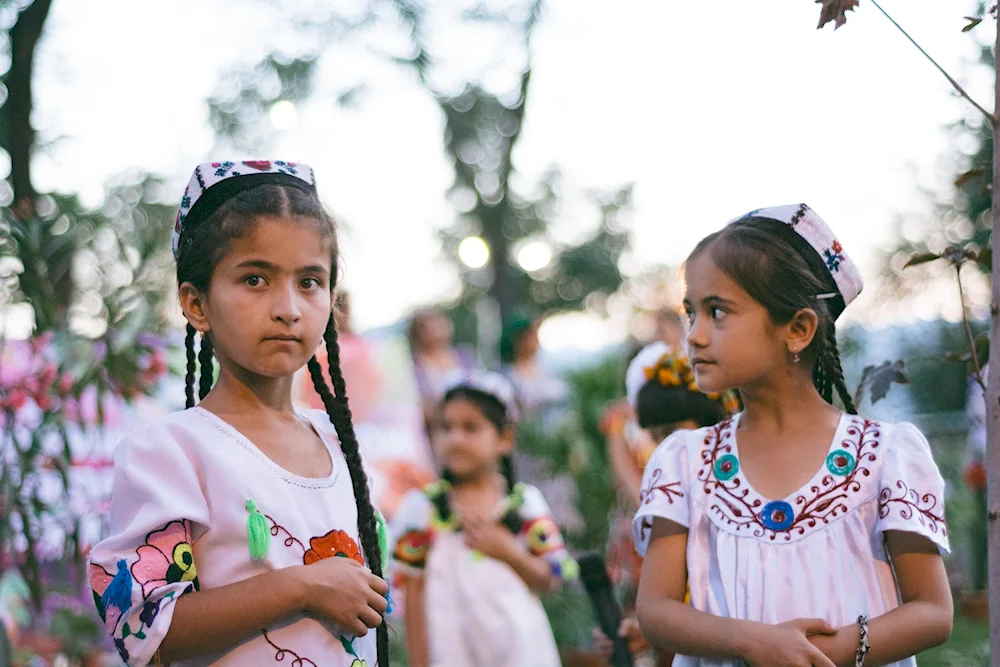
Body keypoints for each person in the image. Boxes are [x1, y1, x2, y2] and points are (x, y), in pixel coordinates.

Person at [88, 161, 389, 666]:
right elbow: (145, 631)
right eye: (255, 279)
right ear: (196, 303)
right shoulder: (170, 452)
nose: (288, 308)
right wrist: (301, 586)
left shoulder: (338, 443)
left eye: (310, 282)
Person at [634, 204, 953, 667]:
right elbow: (656, 609)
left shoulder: (886, 455)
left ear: (798, 329)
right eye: (691, 313)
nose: (695, 336)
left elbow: (932, 610)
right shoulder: (684, 460)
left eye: (717, 312)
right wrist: (754, 643)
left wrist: (820, 654)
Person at [389, 371, 577, 667]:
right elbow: (412, 594)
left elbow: (551, 579)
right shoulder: (422, 510)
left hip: (521, 655)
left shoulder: (523, 504)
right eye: (446, 427)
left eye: (470, 428)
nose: (455, 439)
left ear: (505, 438)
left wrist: (509, 553)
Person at [597, 345, 737, 667]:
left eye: (673, 432)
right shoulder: (669, 509)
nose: (665, 447)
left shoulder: (734, 496)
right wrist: (648, 629)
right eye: (656, 436)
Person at [408, 307, 477, 434]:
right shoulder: (413, 366)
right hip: (435, 431)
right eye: (427, 328)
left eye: (437, 325)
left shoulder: (465, 356)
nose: (434, 331)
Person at [500, 314, 569, 432]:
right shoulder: (506, 375)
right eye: (531, 335)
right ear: (518, 340)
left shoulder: (548, 367)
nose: (536, 340)